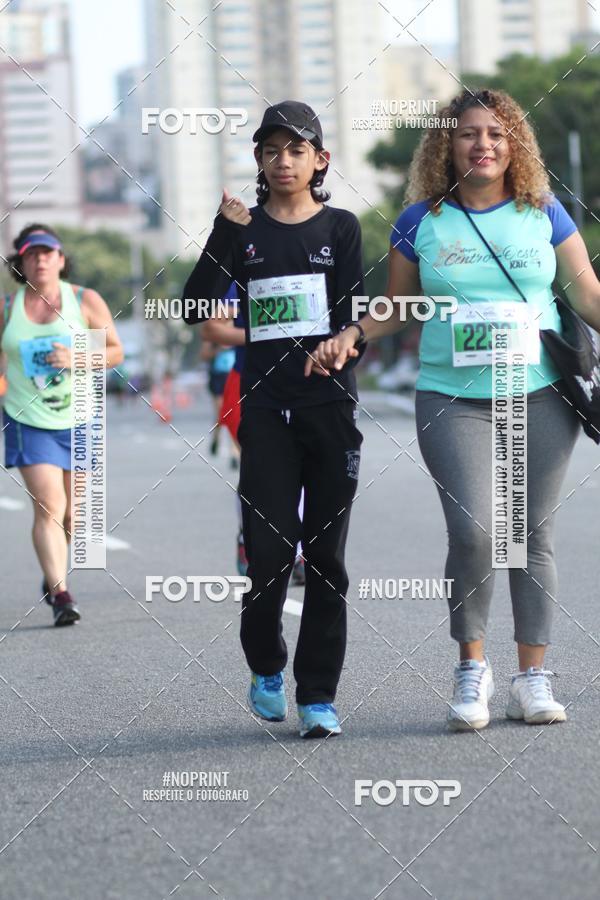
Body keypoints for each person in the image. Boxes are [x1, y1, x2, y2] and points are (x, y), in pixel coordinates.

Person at [307, 88, 600, 730]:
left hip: (541, 391)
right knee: (474, 533)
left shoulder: (545, 214)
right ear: (448, 144)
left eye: (497, 134)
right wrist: (353, 333)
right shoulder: (421, 221)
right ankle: (472, 669)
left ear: (514, 144)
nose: (484, 144)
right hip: (451, 396)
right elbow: (397, 307)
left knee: (529, 536)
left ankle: (533, 676)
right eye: (469, 133)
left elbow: (588, 294)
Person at [184, 100, 365, 737]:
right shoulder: (246, 229)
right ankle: (266, 665)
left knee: (326, 560)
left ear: (320, 160)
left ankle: (318, 694)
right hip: (263, 411)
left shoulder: (340, 228)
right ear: (259, 161)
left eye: (296, 150)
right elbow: (195, 308)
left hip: (328, 409)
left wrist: (346, 340)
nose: (283, 161)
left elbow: (354, 315)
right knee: (266, 558)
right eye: (271, 150)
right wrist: (223, 232)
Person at [1, 225, 123, 625]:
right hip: (27, 418)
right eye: (31, 254)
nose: (40, 260)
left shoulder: (84, 300)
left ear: (61, 259)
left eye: (47, 253)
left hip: (81, 417)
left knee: (75, 516)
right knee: (50, 505)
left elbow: (114, 351)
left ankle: (51, 573)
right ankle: (62, 594)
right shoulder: (6, 308)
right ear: (20, 263)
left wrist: (76, 358)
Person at [203, 286, 306, 584]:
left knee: (299, 469)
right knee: (258, 467)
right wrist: (260, 334)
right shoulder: (242, 278)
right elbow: (213, 328)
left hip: (299, 380)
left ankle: (296, 554)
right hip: (245, 383)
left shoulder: (307, 266)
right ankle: (248, 538)